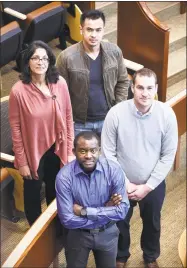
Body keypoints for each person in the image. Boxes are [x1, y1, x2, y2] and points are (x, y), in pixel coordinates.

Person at [101, 68, 178, 268]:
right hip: (120, 182)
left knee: (152, 222)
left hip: (152, 183)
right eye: (140, 87)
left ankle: (150, 257)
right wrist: (124, 183)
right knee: (119, 222)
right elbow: (108, 153)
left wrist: (147, 186)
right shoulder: (115, 114)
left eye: (149, 88)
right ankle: (121, 255)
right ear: (132, 88)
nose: (145, 93)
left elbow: (168, 155)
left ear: (156, 89)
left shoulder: (167, 114)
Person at [9, 40, 74, 226]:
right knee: (33, 195)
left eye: (44, 58)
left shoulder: (59, 83)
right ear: (27, 62)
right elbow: (16, 129)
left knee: (57, 189)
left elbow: (68, 117)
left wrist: (69, 151)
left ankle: (56, 229)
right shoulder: (18, 92)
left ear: (50, 61)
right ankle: (36, 235)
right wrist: (21, 161)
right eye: (35, 58)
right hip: (33, 152)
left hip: (58, 146)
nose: (40, 62)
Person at [55, 131, 130, 268]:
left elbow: (122, 211)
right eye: (82, 151)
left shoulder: (113, 170)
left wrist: (84, 211)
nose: (88, 156)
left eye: (93, 150)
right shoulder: (64, 177)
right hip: (78, 235)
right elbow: (67, 219)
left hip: (107, 233)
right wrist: (107, 211)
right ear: (74, 151)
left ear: (99, 151)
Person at [56, 9, 129, 137]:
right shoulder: (66, 57)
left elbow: (123, 82)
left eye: (98, 30)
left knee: (108, 156)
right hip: (79, 123)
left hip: (108, 119)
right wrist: (67, 120)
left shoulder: (115, 52)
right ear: (81, 29)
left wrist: (118, 110)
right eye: (89, 29)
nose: (94, 35)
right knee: (82, 157)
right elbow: (58, 92)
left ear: (103, 30)